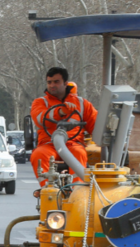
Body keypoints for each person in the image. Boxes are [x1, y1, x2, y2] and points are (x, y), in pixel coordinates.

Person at [30, 67, 98, 195]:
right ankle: (48, 189)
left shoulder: (82, 104)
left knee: (79, 153)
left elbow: (95, 126)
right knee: (38, 155)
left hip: (73, 144)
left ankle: (76, 191)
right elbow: (39, 118)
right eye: (49, 82)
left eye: (56, 82)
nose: (52, 85)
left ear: (66, 83)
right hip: (48, 144)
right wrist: (60, 111)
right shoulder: (40, 102)